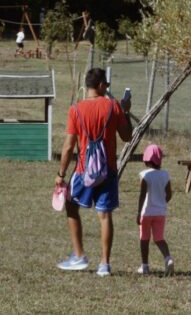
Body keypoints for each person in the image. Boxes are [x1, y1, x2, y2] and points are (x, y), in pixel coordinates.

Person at [55, 68, 133, 277]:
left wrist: (61, 174)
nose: (107, 89)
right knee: (104, 215)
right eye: (106, 85)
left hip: (83, 170)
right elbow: (127, 137)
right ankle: (104, 265)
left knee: (71, 207)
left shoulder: (76, 109)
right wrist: (125, 111)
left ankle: (79, 255)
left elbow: (68, 145)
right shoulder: (113, 106)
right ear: (100, 85)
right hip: (108, 169)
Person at [136, 144, 174, 276]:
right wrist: (162, 202)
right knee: (159, 238)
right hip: (160, 212)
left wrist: (138, 212)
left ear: (146, 159)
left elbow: (142, 195)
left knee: (144, 239)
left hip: (146, 212)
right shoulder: (165, 175)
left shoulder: (144, 175)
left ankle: (145, 266)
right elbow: (169, 194)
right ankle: (168, 258)